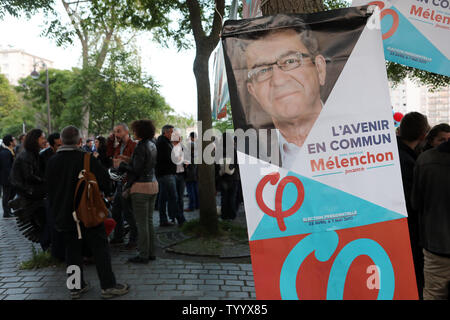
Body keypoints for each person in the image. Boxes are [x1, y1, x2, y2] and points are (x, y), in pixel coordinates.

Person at [46, 125, 129, 299]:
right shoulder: (86, 158)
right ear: (80, 141)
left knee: (72, 251)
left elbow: (49, 189)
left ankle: (75, 287)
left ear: (61, 141)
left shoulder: (52, 161)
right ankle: (108, 286)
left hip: (65, 215)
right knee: (100, 249)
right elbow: (106, 183)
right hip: (88, 212)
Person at [243, 24, 327, 168]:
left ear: (319, 69)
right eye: (262, 71)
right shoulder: (248, 160)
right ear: (253, 92)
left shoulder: (366, 137)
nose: (278, 80)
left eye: (290, 61)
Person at [396, 112, 430, 299]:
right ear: (423, 135)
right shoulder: (409, 161)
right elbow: (414, 201)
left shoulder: (393, 154)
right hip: (409, 228)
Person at [411, 139, 450, 300]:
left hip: (437, 244)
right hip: (437, 244)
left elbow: (415, 203)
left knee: (434, 294)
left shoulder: (426, 160)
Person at [117, 120, 158, 264]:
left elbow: (137, 169)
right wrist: (129, 161)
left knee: (142, 223)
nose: (133, 132)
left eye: (135, 130)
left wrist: (122, 165)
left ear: (140, 131)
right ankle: (151, 252)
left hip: (141, 187)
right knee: (148, 221)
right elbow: (145, 165)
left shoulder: (141, 146)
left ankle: (143, 254)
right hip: (153, 184)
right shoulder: (152, 144)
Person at [10, 129, 47, 246]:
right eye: (42, 138)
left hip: (32, 194)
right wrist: (45, 182)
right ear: (35, 139)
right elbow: (29, 176)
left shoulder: (33, 154)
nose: (44, 140)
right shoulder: (27, 155)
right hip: (30, 194)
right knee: (39, 221)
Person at [106, 123, 138, 248]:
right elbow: (109, 154)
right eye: (114, 132)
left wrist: (124, 161)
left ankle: (134, 239)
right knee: (116, 211)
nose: (116, 134)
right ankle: (119, 236)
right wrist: (109, 140)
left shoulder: (133, 145)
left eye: (118, 131)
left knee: (128, 213)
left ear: (126, 131)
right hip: (119, 182)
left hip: (128, 182)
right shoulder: (117, 146)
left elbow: (135, 164)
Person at [156, 125, 186, 227]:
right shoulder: (162, 143)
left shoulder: (165, 142)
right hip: (166, 174)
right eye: (172, 132)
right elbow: (170, 158)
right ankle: (180, 219)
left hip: (167, 173)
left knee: (164, 198)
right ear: (166, 133)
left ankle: (163, 220)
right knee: (174, 197)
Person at [218, 133, 240, 220]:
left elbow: (217, 165)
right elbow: (237, 163)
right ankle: (232, 215)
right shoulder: (234, 150)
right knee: (232, 197)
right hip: (234, 177)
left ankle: (224, 215)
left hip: (223, 177)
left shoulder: (219, 151)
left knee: (224, 197)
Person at [171, 129, 187, 220]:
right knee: (174, 197)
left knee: (180, 197)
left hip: (181, 174)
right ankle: (173, 216)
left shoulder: (183, 147)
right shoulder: (169, 147)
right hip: (172, 175)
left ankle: (181, 216)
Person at [0, 135, 17, 218]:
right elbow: (6, 167)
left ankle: (9, 210)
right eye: (14, 140)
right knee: (6, 195)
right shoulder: (5, 152)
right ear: (10, 142)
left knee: (10, 194)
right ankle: (6, 212)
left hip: (10, 178)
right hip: (6, 178)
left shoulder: (10, 151)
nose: (15, 141)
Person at [184, 132, 199, 212]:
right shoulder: (197, 155)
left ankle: (191, 206)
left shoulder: (188, 156)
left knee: (191, 191)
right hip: (196, 175)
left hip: (190, 175)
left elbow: (186, 166)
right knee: (195, 190)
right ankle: (197, 205)